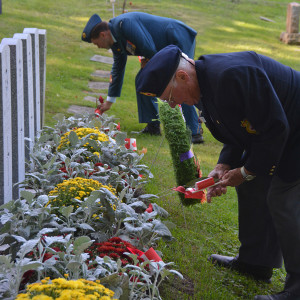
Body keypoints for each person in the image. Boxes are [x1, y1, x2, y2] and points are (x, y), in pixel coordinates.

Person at [136, 45, 300, 300]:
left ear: (182, 77)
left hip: (293, 129)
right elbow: (237, 129)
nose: (171, 104)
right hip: (280, 129)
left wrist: (245, 171)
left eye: (169, 97)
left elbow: (276, 128)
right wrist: (225, 165)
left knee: (285, 200)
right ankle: (256, 262)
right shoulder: (205, 85)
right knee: (253, 184)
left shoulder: (232, 75)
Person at [81, 12, 204, 143]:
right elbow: (117, 70)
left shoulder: (123, 24)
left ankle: (194, 132)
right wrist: (109, 102)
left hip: (176, 37)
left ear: (102, 35)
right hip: (161, 49)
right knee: (142, 81)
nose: (98, 47)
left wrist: (149, 61)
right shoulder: (115, 42)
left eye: (96, 43)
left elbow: (147, 46)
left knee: (179, 83)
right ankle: (153, 125)